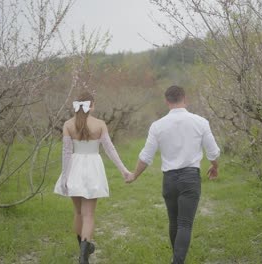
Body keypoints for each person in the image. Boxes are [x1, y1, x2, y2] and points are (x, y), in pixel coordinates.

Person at [125, 85, 220, 264]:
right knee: (185, 224)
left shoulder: (157, 126)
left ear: (166, 102)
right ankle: (177, 261)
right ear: (185, 98)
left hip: (169, 180)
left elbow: (146, 156)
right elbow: (213, 152)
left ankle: (176, 259)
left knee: (174, 222)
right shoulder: (200, 122)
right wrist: (214, 166)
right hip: (190, 178)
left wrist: (134, 175)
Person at [54, 91, 131, 264]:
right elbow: (110, 150)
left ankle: (83, 250)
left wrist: (65, 177)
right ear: (92, 105)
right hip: (93, 168)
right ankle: (84, 256)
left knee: (78, 212)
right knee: (88, 214)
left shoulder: (68, 124)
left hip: (74, 167)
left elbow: (66, 152)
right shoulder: (100, 124)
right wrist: (124, 170)